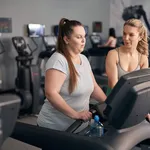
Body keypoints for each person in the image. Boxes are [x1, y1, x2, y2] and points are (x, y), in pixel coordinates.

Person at [37, 18, 106, 131]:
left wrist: (108, 104)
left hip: (78, 126)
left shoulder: (83, 59)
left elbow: (94, 88)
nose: (83, 40)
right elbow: (51, 93)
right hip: (55, 127)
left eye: (84, 36)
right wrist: (75, 114)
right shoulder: (58, 60)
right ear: (66, 39)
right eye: (79, 37)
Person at [105, 18, 150, 119]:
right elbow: (114, 86)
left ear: (140, 36)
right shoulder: (113, 54)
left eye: (131, 34)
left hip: (133, 104)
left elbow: (142, 88)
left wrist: (144, 110)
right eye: (124, 33)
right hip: (114, 104)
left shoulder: (143, 58)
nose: (126, 38)